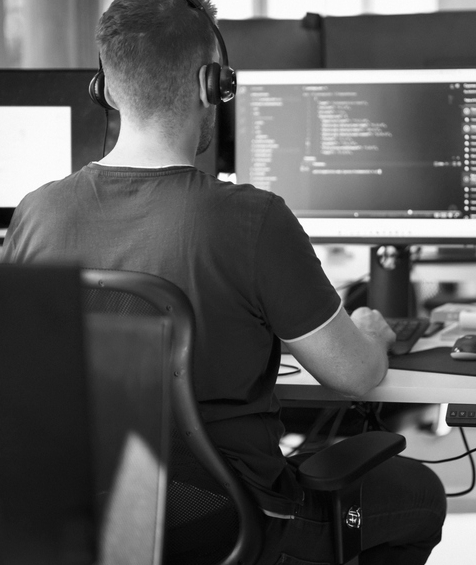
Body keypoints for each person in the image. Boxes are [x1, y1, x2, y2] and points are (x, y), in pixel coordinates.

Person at [2, 0, 446, 563]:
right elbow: (357, 375)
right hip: (233, 525)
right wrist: (371, 335)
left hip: (90, 518)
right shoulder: (251, 220)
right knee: (419, 495)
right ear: (214, 85)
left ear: (106, 90)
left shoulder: (36, 212)